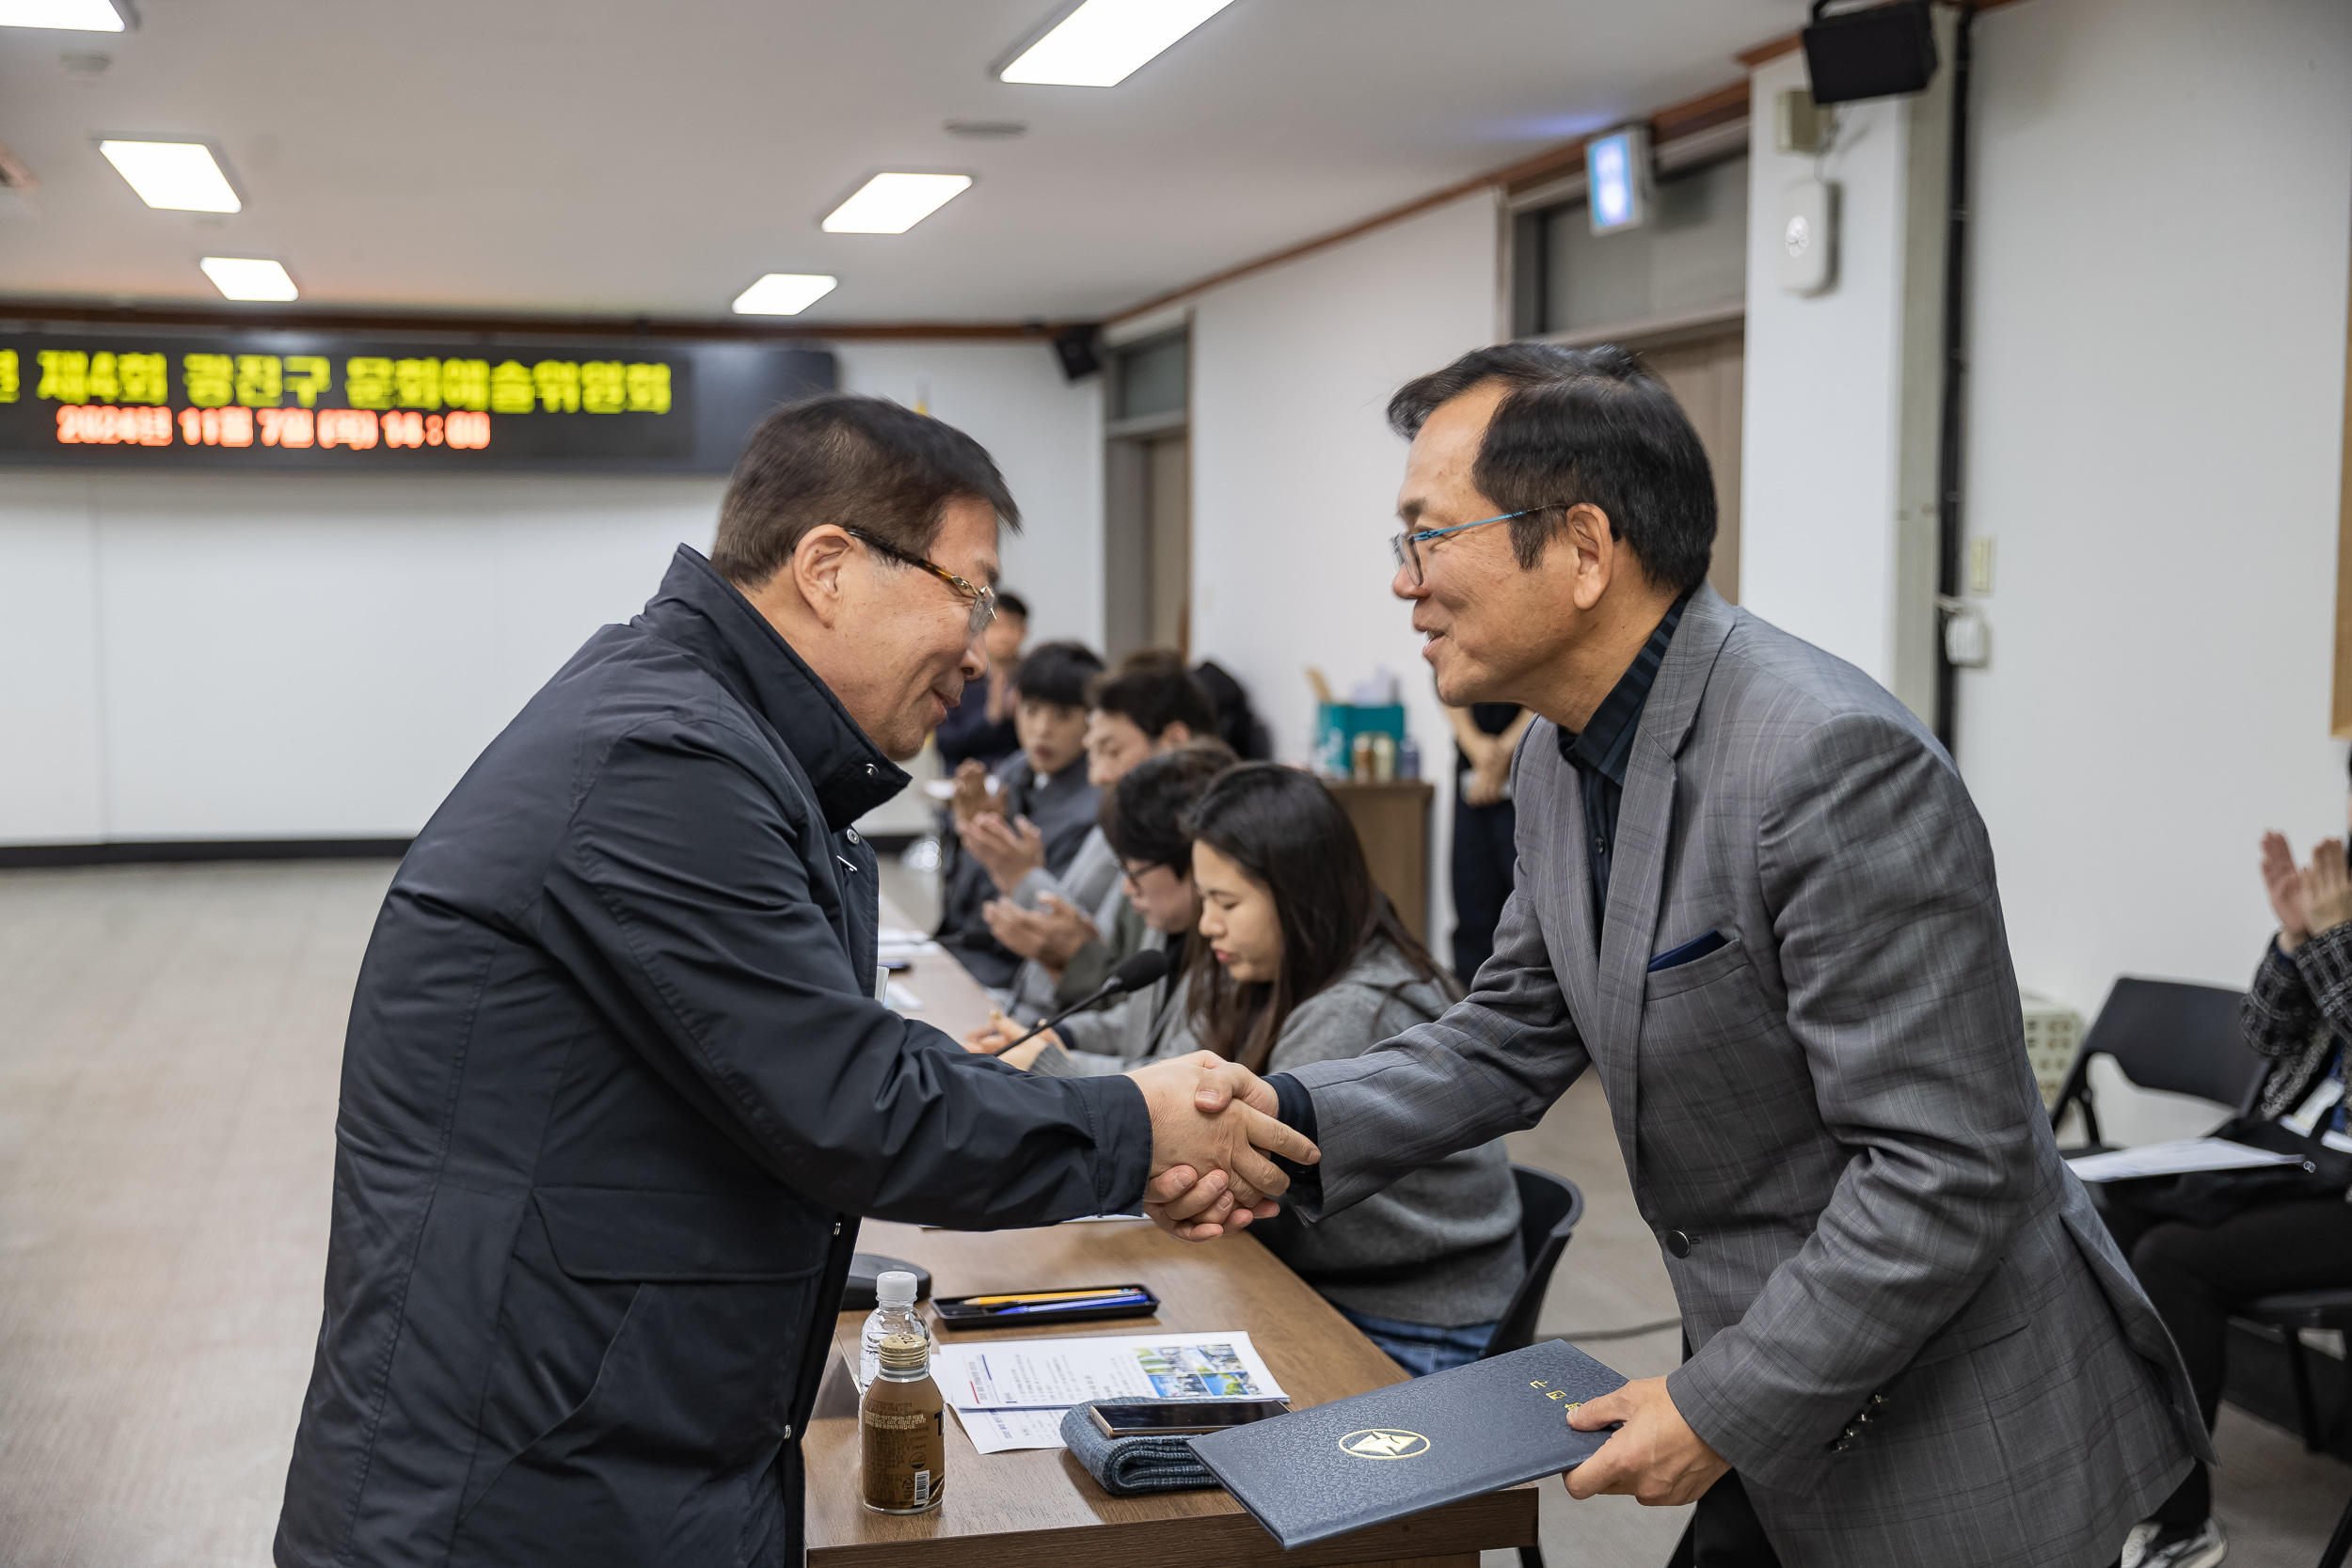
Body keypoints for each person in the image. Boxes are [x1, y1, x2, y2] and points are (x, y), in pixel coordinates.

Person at [1143, 344, 2205, 1568]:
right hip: (1774, 1379)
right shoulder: (1557, 757)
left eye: (1428, 537)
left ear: (1585, 548)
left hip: (1945, 1422)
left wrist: (1714, 1405)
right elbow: (1514, 1027)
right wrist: (1278, 1118)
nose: (1405, 585)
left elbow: (1944, 1169)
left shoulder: (1825, 761)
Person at [271, 394, 1314, 1568]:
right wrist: (1140, 1120)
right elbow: (846, 1100)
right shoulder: (660, 758)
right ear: (828, 566)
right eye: (967, 594)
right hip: (515, 1492)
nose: (981, 651)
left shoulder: (714, 737)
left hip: (603, 1451)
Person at [977, 761, 1522, 1375]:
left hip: (1409, 1323)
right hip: (1326, 1279)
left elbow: (1227, 1162)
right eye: (1205, 898)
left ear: (1298, 894)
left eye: (1226, 901)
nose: (1208, 923)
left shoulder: (1357, 1008)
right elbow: (1181, 1077)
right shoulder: (1267, 968)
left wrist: (1054, 1070)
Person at [2098, 822, 2352, 1568]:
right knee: (2111, 1215)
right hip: (2287, 1158)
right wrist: (2292, 939)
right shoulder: (2340, 916)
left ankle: (2181, 1522)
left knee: (2174, 1258)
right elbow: (2262, 1032)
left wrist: (2334, 942)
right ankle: (2120, 1478)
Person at [965, 743, 1235, 1076]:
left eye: (1135, 873)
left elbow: (1180, 1078)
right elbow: (1134, 1025)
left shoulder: (1231, 952)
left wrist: (1042, 1062)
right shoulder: (1167, 925)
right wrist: (1054, 1034)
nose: (1127, 888)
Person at [979, 651, 1216, 1021]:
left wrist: (1025, 879)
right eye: (1095, 753)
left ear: (1174, 741)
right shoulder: (1115, 821)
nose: (1098, 777)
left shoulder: (1187, 846)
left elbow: (1120, 992)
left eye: (1112, 751)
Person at [933, 640, 1102, 990]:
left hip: (1019, 977)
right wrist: (968, 836)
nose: (1042, 729)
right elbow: (962, 907)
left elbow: (1058, 924)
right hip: (965, 955)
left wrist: (1007, 861)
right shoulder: (1014, 772)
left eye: (1063, 716)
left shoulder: (1095, 805)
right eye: (1032, 709)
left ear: (1092, 721)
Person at [1445, 700, 1531, 983]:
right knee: (1472, 899)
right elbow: (1443, 676)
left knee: (1529, 907)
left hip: (1531, 753)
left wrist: (1505, 751)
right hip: (1474, 766)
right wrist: (1477, 748)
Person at [932, 589, 1026, 770]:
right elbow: (944, 743)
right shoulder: (960, 676)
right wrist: (989, 718)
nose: (1004, 635)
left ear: (1024, 631)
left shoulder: (1031, 678)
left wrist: (1022, 715)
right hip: (964, 779)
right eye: (996, 626)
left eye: (1013, 626)